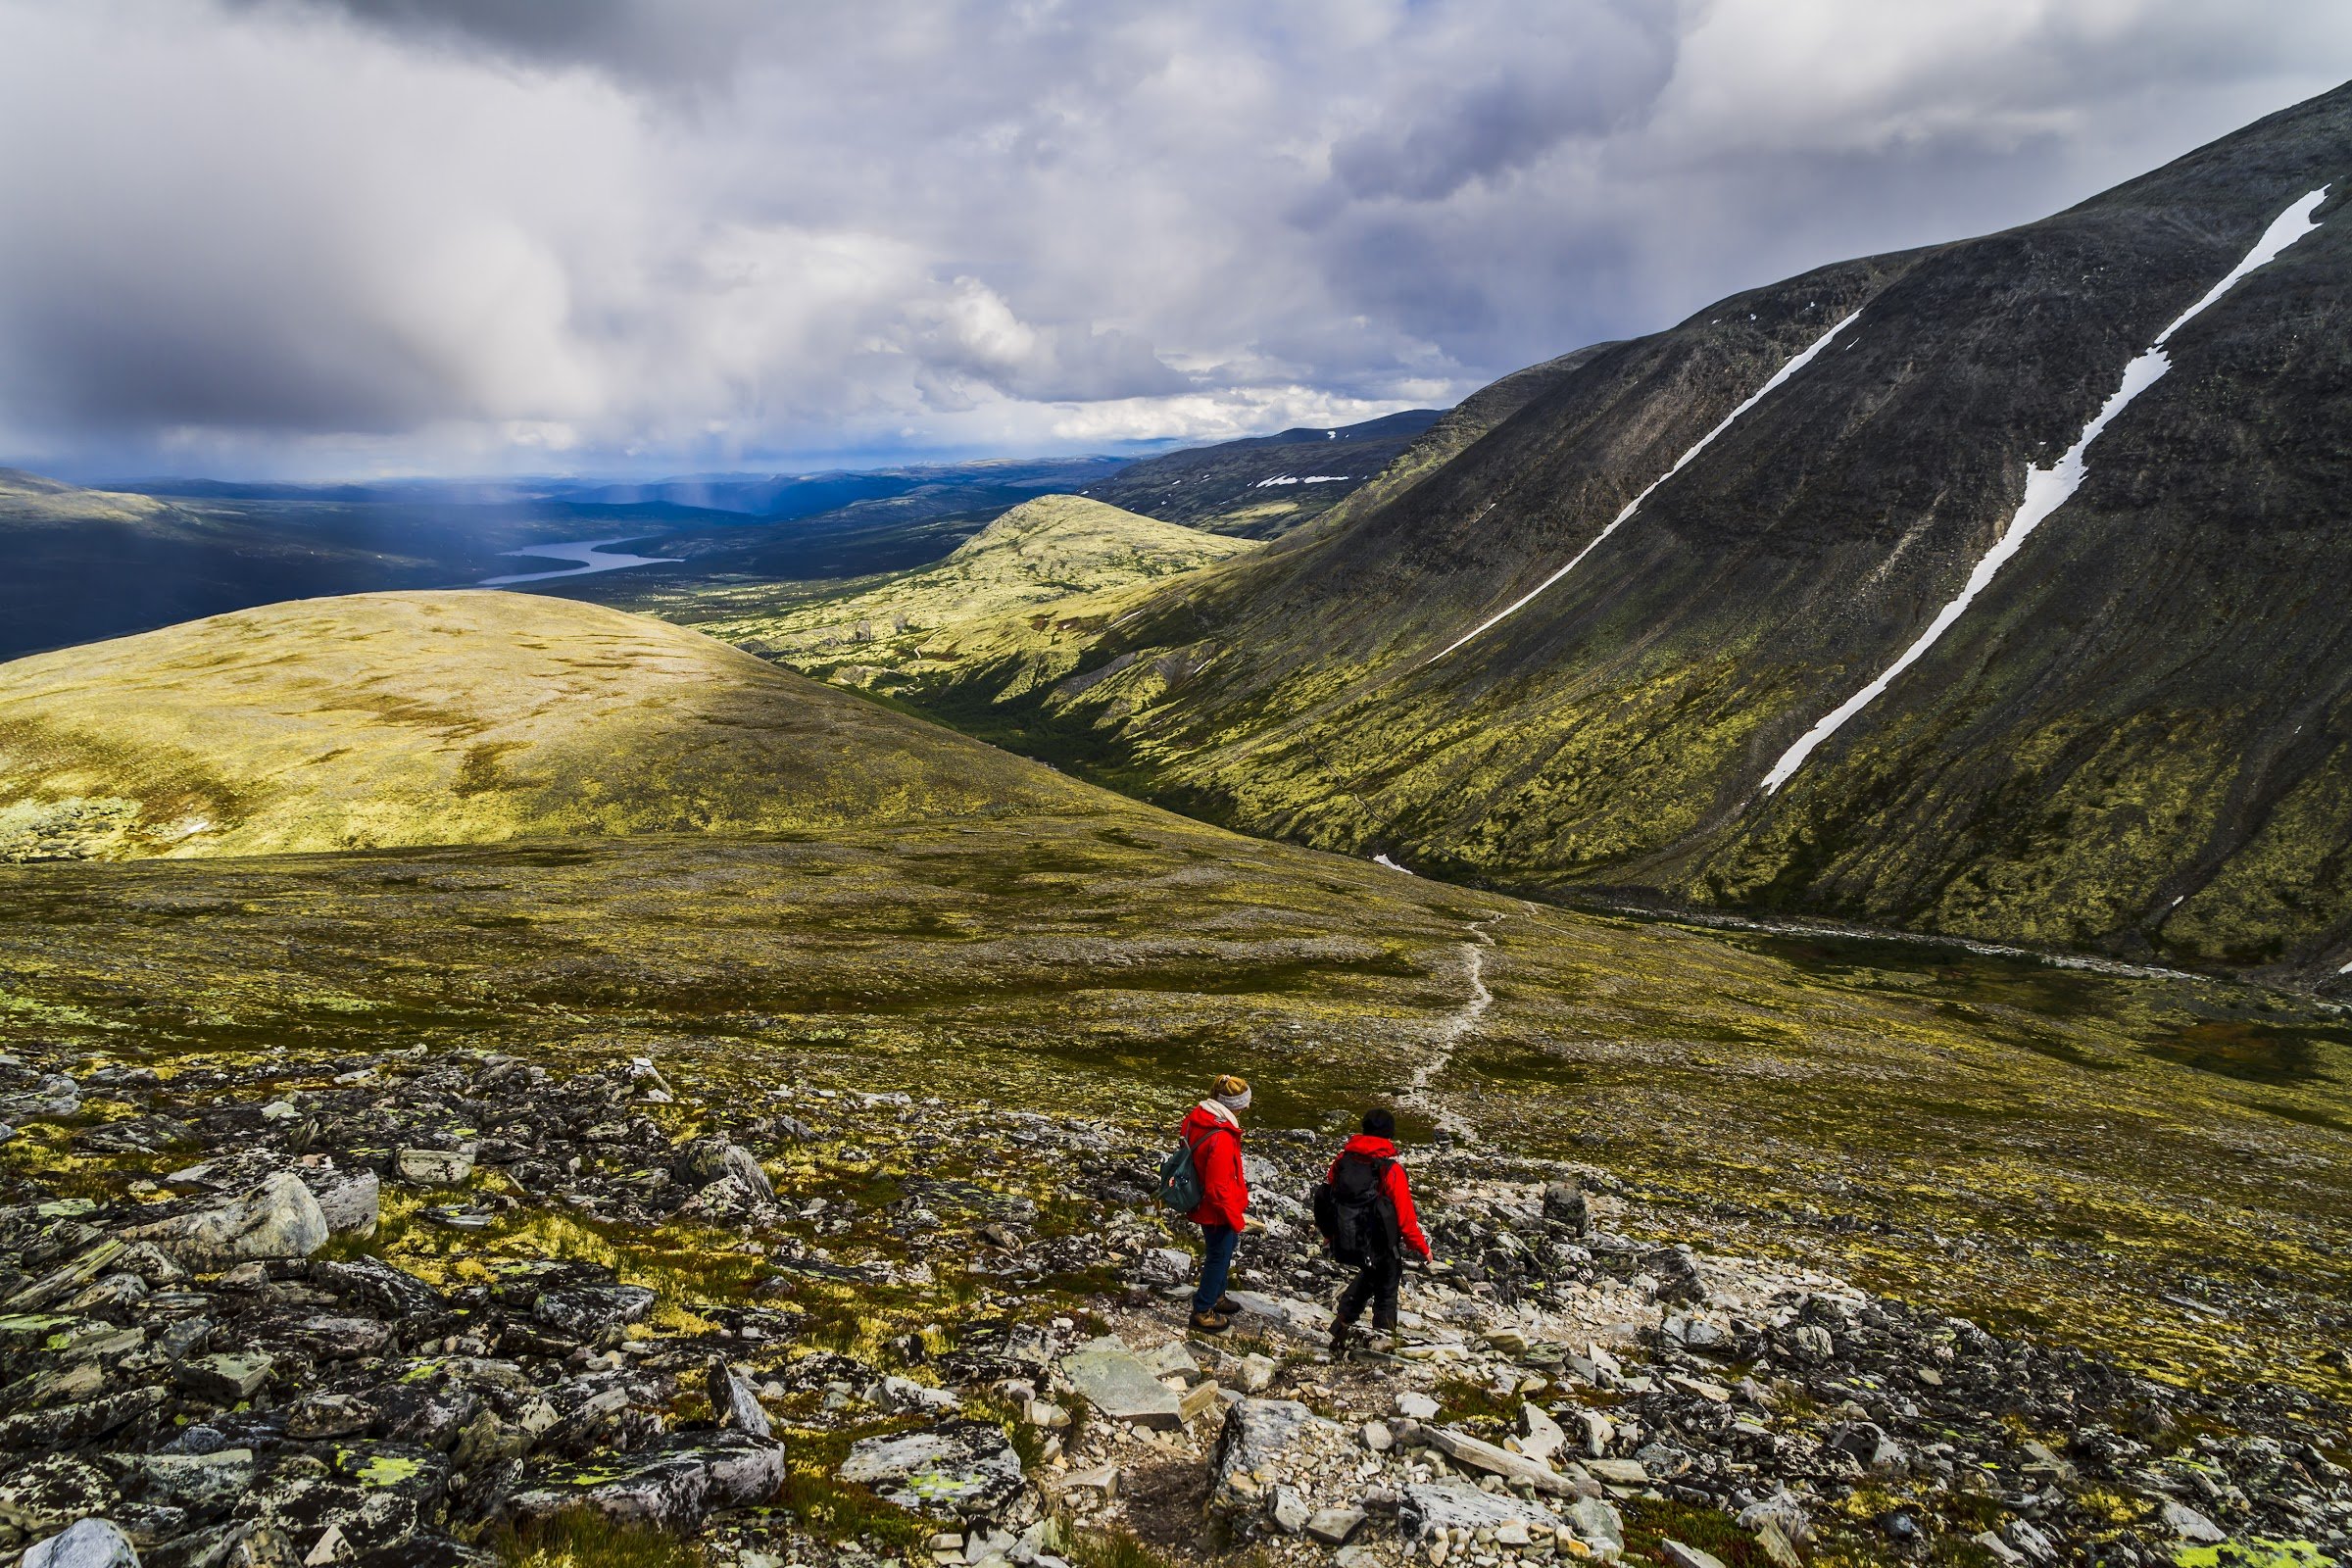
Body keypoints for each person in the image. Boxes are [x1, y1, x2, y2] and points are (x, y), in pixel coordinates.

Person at [1325, 1107, 1432, 1352]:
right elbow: (1405, 1219)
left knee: (1370, 1274)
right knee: (1387, 1282)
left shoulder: (1343, 1162)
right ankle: (1381, 1344)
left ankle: (1341, 1325)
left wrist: (1329, 1235)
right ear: (1389, 1136)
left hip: (1347, 1237)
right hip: (1380, 1243)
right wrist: (1422, 1247)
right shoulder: (1390, 1170)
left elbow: (1330, 1198)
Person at [1180, 1074, 1252, 1334]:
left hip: (1199, 1200)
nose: (1246, 1108)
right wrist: (1235, 1218)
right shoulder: (1221, 1135)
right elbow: (1218, 1188)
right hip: (1216, 1209)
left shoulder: (1198, 1117)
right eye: (1245, 1103)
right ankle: (1203, 1310)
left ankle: (1217, 1295)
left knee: (1224, 1247)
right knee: (1219, 1255)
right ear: (1236, 1105)